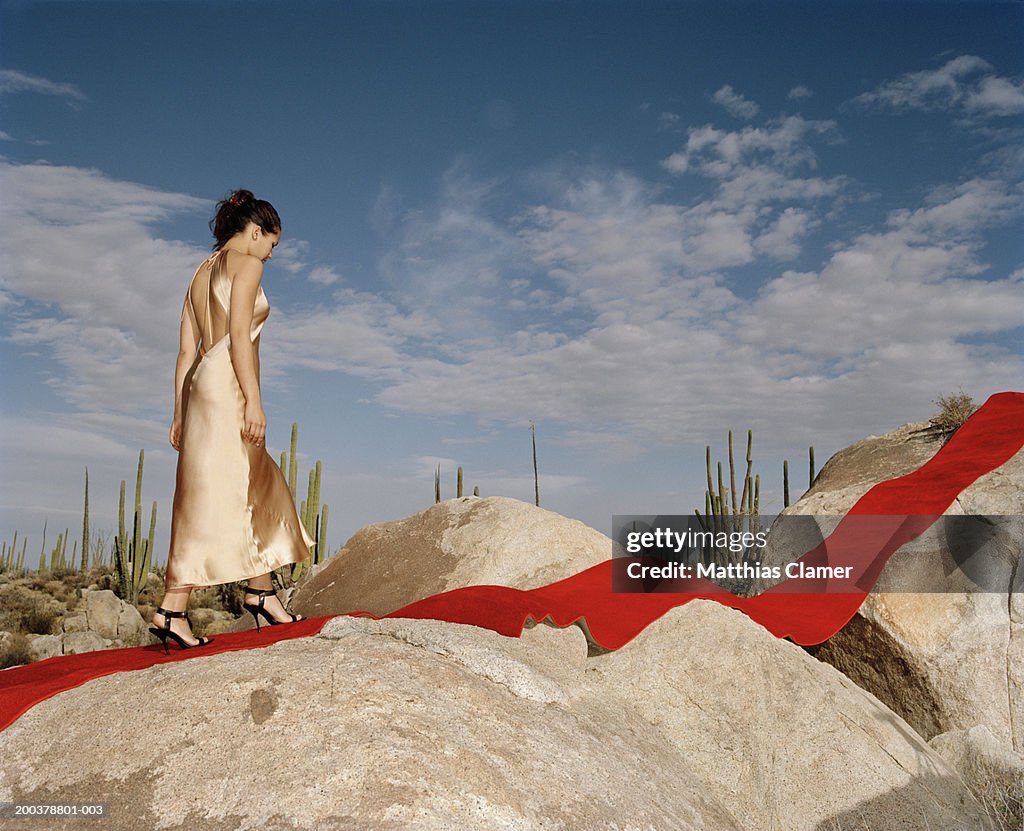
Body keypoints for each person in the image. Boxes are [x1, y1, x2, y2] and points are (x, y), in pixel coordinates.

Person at [148, 189, 312, 652]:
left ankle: (257, 592)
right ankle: (180, 605)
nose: (272, 254)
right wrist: (254, 402)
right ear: (255, 231)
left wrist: (179, 412)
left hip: (199, 387)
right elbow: (239, 335)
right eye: (272, 244)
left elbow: (185, 352)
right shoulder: (248, 263)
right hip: (227, 386)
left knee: (231, 486)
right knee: (238, 486)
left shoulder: (199, 274)